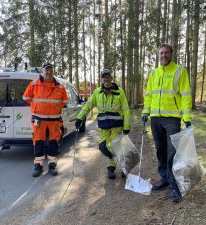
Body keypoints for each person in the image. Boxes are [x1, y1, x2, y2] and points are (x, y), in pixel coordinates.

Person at [142, 44, 192, 203]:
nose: (163, 55)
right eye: (161, 53)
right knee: (161, 150)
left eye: (166, 53)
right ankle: (164, 178)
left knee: (173, 153)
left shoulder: (179, 71)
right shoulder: (153, 73)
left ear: (171, 54)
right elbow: (149, 95)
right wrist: (145, 111)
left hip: (172, 119)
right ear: (158, 55)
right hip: (155, 118)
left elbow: (185, 95)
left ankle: (174, 186)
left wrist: (187, 117)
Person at [75, 69, 130, 179]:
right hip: (104, 127)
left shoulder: (120, 92)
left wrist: (127, 126)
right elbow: (87, 106)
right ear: (102, 79)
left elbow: (126, 110)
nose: (106, 78)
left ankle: (114, 168)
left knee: (116, 147)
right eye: (104, 77)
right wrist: (80, 117)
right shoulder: (97, 92)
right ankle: (115, 160)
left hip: (116, 126)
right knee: (103, 147)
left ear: (111, 78)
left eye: (108, 76)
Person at [23, 62, 68, 177]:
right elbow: (26, 98)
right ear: (42, 72)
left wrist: (53, 109)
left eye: (50, 70)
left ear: (53, 72)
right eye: (46, 70)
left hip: (54, 121)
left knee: (53, 143)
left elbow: (64, 101)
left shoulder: (60, 86)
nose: (48, 72)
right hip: (39, 120)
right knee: (38, 142)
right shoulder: (34, 84)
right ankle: (38, 166)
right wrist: (39, 108)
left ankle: (52, 165)